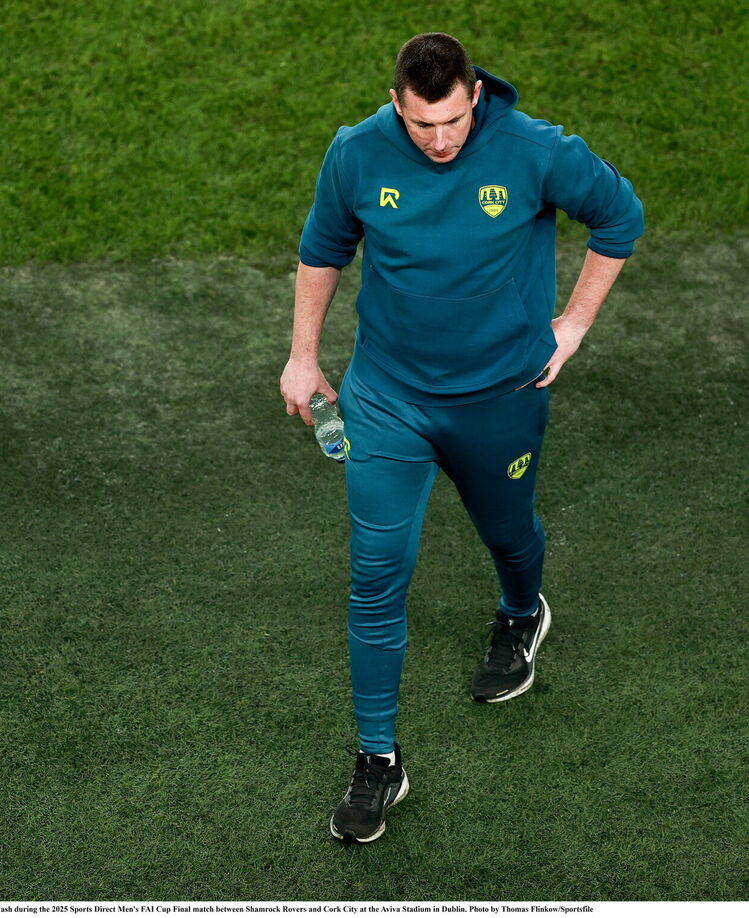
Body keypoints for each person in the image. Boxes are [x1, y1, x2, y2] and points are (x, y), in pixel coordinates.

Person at [280, 32, 644, 844]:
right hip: (388, 401)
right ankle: (379, 760)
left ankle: (522, 611)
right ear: (397, 103)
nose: (440, 141)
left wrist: (574, 325)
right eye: (421, 125)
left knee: (509, 534)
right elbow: (322, 249)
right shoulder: (356, 154)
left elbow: (622, 216)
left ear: (475, 96)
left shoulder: (535, 149)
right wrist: (304, 356)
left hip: (500, 397)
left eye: (452, 122)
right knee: (376, 575)